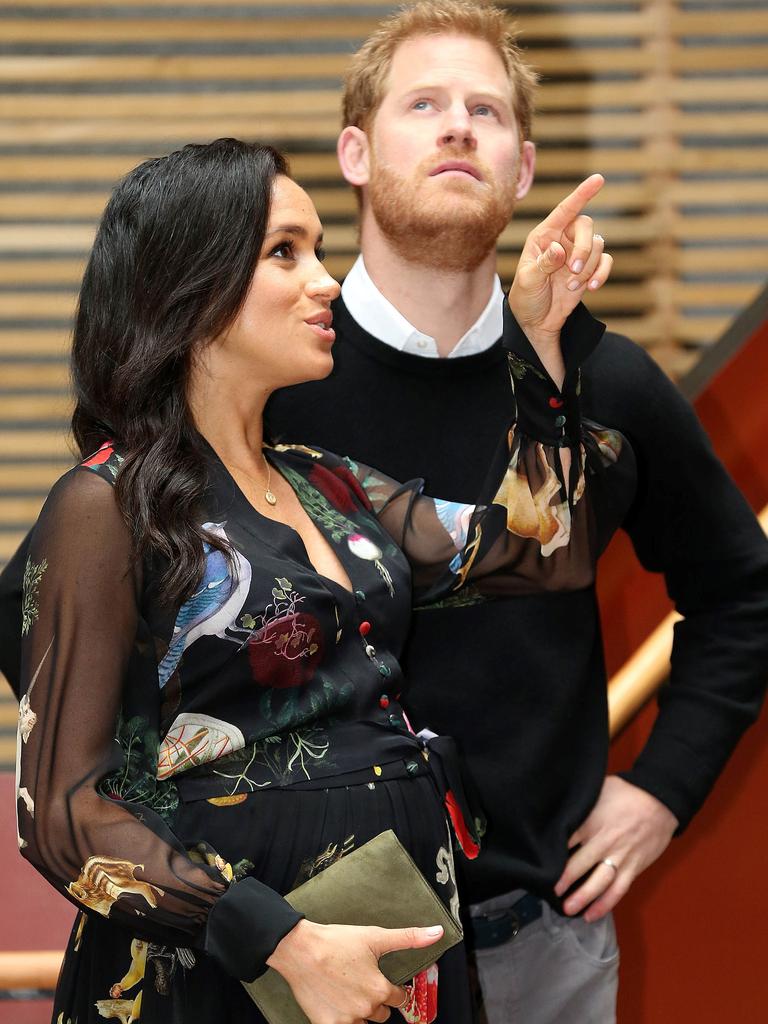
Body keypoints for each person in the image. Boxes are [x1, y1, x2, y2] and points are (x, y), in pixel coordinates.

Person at [6, 137, 629, 1024]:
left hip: (395, 943)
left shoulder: (328, 482)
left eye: (320, 250)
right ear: (193, 284)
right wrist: (284, 943)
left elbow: (546, 553)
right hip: (222, 972)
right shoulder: (104, 505)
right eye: (284, 252)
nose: (326, 280)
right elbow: (61, 816)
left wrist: (532, 343)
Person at [262, 2, 768, 1022]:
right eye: (426, 103)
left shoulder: (605, 385)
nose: (458, 127)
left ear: (523, 169)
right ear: (355, 153)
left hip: (542, 945)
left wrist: (663, 787)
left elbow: (743, 596)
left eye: (485, 111)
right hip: (308, 947)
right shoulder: (271, 378)